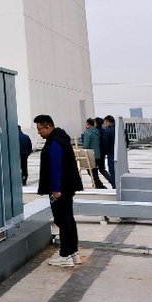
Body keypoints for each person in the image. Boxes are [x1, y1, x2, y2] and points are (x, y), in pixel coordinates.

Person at [36, 114, 83, 267]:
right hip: (67, 187)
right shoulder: (61, 139)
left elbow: (56, 167)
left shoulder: (54, 142)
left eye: (40, 129)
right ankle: (73, 253)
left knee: (62, 220)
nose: (38, 132)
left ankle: (65, 256)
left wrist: (56, 189)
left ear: (48, 126)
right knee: (68, 220)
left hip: (60, 189)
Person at [79, 119, 105, 188]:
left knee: (90, 171)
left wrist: (82, 150)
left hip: (90, 154)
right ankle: (98, 185)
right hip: (97, 154)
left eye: (86, 123)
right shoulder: (96, 131)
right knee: (95, 171)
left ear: (88, 124)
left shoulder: (88, 133)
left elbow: (86, 145)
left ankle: (100, 185)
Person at [100, 116, 117, 187]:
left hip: (111, 153)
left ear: (107, 122)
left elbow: (105, 144)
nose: (104, 124)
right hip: (120, 153)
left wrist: (104, 153)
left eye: (105, 122)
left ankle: (115, 186)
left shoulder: (107, 131)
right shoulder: (122, 130)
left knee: (113, 171)